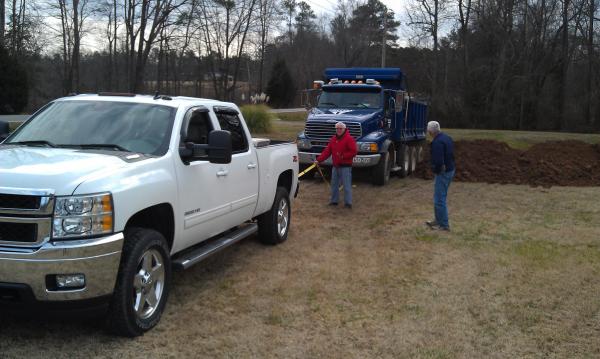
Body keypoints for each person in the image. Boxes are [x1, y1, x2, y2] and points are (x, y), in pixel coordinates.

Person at [314, 121, 357, 208]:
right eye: (337, 128)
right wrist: (318, 160)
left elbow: (353, 151)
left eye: (340, 128)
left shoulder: (349, 139)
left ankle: (348, 203)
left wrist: (342, 156)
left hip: (345, 166)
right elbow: (327, 151)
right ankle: (334, 201)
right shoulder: (333, 139)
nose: (338, 130)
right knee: (334, 184)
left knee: (346, 185)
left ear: (344, 129)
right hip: (335, 166)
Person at [426, 121, 455, 231]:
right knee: (439, 197)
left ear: (431, 131)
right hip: (450, 170)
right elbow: (452, 154)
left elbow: (438, 161)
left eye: (428, 131)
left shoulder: (437, 143)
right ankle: (438, 220)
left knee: (439, 199)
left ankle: (444, 225)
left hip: (443, 172)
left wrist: (436, 170)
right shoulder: (447, 138)